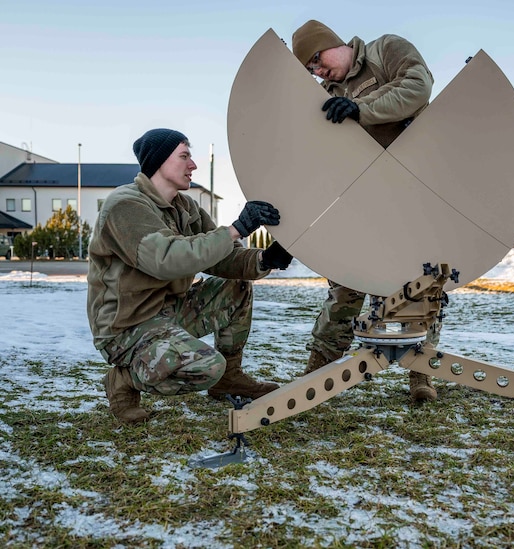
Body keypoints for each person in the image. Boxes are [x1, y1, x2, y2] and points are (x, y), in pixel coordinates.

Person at [87, 128, 294, 424]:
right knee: (208, 368)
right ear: (159, 162)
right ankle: (124, 379)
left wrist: (264, 259)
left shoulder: (185, 208)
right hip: (126, 326)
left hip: (169, 312)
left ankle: (230, 378)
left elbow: (221, 255)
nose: (192, 165)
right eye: (184, 156)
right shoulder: (125, 205)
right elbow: (166, 259)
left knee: (236, 288)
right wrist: (236, 229)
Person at [291, 20, 439, 401]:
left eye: (317, 59)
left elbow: (417, 87)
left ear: (333, 44)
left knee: (419, 283)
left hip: (412, 187)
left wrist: (359, 108)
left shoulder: (385, 50)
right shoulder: (326, 95)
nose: (318, 71)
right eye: (311, 69)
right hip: (361, 197)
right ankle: (319, 368)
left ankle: (421, 374)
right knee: (345, 283)